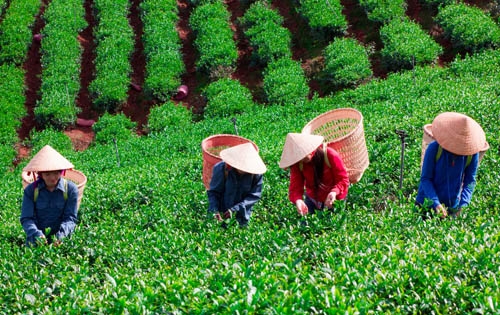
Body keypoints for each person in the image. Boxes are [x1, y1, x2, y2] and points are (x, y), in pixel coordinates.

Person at [416, 112, 489, 219]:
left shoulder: (472, 154)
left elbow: (470, 181)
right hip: (426, 204)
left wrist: (463, 204)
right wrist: (436, 203)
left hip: (452, 206)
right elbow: (426, 179)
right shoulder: (434, 149)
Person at [20, 145, 79, 246]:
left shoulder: (70, 189)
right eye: (47, 174)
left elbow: (70, 218)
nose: (52, 178)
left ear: (61, 172)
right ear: (41, 174)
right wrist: (37, 235)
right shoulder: (31, 191)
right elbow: (26, 218)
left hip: (62, 242)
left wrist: (61, 236)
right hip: (35, 242)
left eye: (56, 173)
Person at [279, 133, 349, 215]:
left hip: (334, 198)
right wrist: (298, 200)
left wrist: (334, 192)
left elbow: (343, 179)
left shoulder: (330, 155)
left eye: (305, 151)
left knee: (334, 225)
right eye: (300, 155)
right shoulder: (297, 164)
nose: (304, 157)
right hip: (313, 198)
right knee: (305, 225)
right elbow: (295, 188)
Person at [207, 142, 267, 227]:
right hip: (221, 212)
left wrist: (236, 209)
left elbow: (254, 196)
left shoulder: (256, 174)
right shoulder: (221, 169)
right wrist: (214, 210)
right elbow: (214, 192)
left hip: (243, 215)